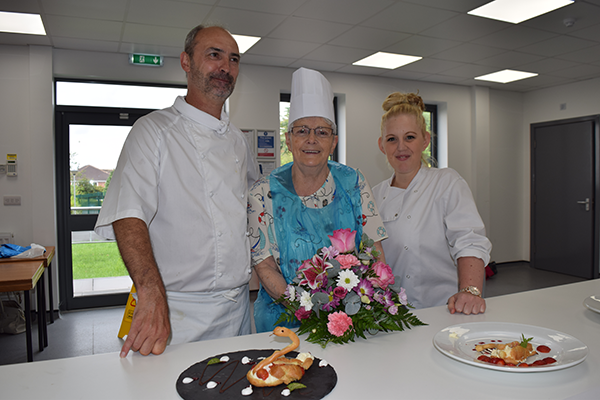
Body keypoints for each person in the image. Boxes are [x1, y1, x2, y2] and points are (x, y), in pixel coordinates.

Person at [94, 25, 259, 357]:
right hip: (176, 311)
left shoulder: (239, 141)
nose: (225, 67)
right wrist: (150, 292)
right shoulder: (153, 131)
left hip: (240, 309)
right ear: (186, 62)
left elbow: (251, 208)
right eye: (214, 55)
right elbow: (128, 215)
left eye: (234, 59)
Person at [247, 68, 388, 333]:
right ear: (288, 139)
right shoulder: (262, 193)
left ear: (333, 141)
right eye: (302, 131)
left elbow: (374, 251)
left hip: (350, 319)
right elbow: (265, 267)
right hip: (282, 322)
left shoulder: (354, 182)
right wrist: (311, 311)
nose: (312, 139)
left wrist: (362, 302)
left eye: (322, 132)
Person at [372, 92, 492, 315]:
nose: (401, 147)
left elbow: (469, 241)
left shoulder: (446, 182)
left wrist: (470, 290)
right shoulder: (375, 196)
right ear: (382, 145)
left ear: (425, 140)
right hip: (390, 314)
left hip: (444, 309)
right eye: (392, 139)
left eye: (409, 137)